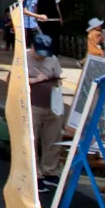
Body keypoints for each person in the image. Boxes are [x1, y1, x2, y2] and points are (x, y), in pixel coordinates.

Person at [27, 31, 65, 194]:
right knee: (31, 140)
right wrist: (36, 80)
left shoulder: (52, 58)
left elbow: (58, 75)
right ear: (32, 47)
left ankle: (50, 171)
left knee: (53, 138)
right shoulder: (22, 57)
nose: (42, 57)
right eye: (39, 53)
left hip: (53, 103)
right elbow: (15, 80)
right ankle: (35, 175)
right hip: (32, 104)